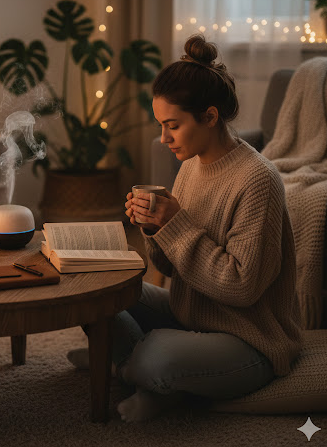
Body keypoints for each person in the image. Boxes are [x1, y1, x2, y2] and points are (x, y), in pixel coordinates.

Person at [67, 34, 302, 422]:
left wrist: (174, 224)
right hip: (191, 314)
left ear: (210, 117)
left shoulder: (258, 180)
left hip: (248, 338)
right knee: (95, 292)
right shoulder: (191, 166)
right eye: (161, 125)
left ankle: (126, 366)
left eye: (172, 125)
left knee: (158, 354)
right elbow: (174, 269)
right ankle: (149, 372)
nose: (164, 138)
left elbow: (241, 287)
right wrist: (153, 227)